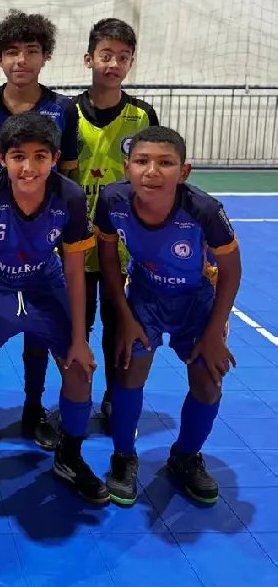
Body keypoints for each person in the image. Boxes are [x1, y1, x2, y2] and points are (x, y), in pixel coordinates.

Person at [0, 114, 107, 508]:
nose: (29, 167)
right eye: (18, 156)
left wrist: (79, 339)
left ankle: (70, 456)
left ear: (54, 158)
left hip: (44, 282)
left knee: (79, 369)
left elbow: (75, 271)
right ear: (2, 158)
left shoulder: (70, 196)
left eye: (40, 156)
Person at [94, 126, 241, 506]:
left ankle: (185, 456)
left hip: (197, 301)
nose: (152, 171)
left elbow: (232, 270)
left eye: (165, 163)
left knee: (208, 380)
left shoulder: (204, 210)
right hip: (145, 296)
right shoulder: (112, 200)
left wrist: (214, 332)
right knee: (129, 370)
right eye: (142, 161)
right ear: (126, 167)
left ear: (184, 171)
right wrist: (125, 317)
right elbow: (108, 258)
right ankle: (123, 457)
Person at [0, 10, 79, 451]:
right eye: (12, 52)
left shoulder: (62, 109)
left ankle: (34, 409)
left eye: (31, 51)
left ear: (45, 56)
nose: (21, 60)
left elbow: (67, 174)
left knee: (41, 332)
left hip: (40, 237)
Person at [74, 17, 158, 428]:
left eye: (123, 57)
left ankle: (113, 397)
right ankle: (76, 400)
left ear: (131, 63)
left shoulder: (142, 115)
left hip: (123, 248)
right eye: (106, 55)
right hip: (73, 243)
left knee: (118, 324)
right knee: (75, 326)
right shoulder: (66, 112)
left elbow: (154, 179)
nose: (113, 64)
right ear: (89, 58)